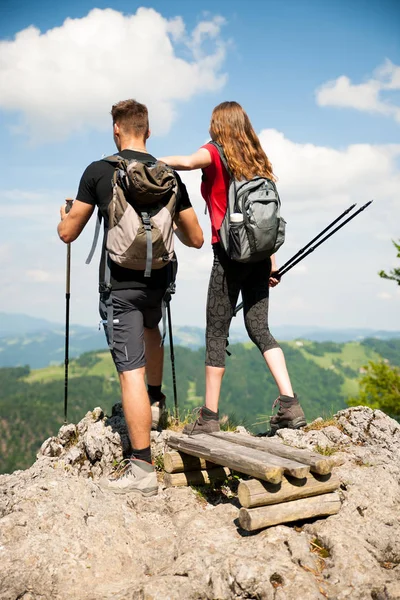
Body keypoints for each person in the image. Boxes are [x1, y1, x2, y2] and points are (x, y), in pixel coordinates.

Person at [57, 99, 204, 495]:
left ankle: (141, 469)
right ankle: (155, 405)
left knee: (129, 371)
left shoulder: (99, 171)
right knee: (152, 330)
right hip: (158, 282)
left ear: (117, 130)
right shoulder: (169, 176)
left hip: (119, 286)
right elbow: (196, 238)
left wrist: (64, 215)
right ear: (149, 132)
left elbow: (68, 233)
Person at [160, 101, 306, 436]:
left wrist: (150, 160)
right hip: (258, 257)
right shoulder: (257, 159)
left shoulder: (215, 152)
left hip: (228, 257)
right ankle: (290, 403)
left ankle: (209, 418)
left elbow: (184, 161)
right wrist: (271, 261)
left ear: (219, 125)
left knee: (216, 332)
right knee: (260, 329)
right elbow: (263, 221)